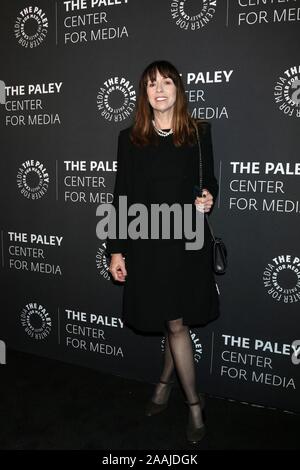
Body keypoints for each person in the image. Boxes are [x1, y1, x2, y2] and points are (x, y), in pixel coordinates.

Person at [105, 60, 220, 444]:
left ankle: (185, 400)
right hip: (149, 244)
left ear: (178, 90)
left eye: (166, 82)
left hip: (188, 243)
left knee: (177, 321)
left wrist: (208, 197)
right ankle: (181, 396)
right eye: (151, 84)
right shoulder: (130, 137)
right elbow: (121, 196)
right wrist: (116, 251)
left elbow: (210, 181)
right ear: (145, 94)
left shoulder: (198, 132)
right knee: (175, 322)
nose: (159, 89)